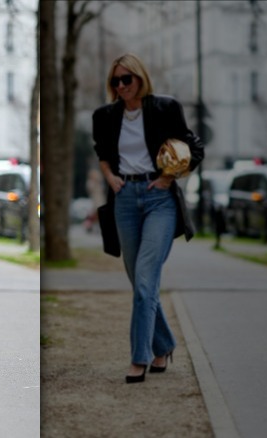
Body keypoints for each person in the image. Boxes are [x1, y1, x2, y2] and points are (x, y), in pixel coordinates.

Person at [92, 53, 204, 384]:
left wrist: (169, 178)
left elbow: (193, 147)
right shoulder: (105, 115)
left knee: (144, 280)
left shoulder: (164, 108)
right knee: (140, 282)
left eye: (127, 79)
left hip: (160, 199)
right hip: (124, 199)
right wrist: (110, 178)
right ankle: (166, 344)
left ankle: (140, 358)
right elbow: (102, 152)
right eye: (116, 81)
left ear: (141, 78)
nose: (122, 85)